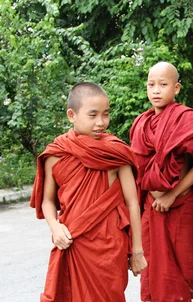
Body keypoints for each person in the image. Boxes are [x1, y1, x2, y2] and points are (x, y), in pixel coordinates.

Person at [30, 82, 147, 301]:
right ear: (72, 115)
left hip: (109, 247)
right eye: (92, 115)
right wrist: (55, 227)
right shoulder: (56, 153)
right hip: (74, 242)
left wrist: (137, 251)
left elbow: (133, 203)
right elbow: (46, 201)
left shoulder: (115, 152)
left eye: (105, 114)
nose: (101, 122)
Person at [130, 62, 193, 302]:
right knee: (151, 272)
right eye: (151, 84)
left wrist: (172, 195)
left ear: (177, 87)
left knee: (192, 271)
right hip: (152, 208)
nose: (156, 90)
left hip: (180, 205)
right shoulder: (141, 124)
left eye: (163, 84)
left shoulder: (186, 120)